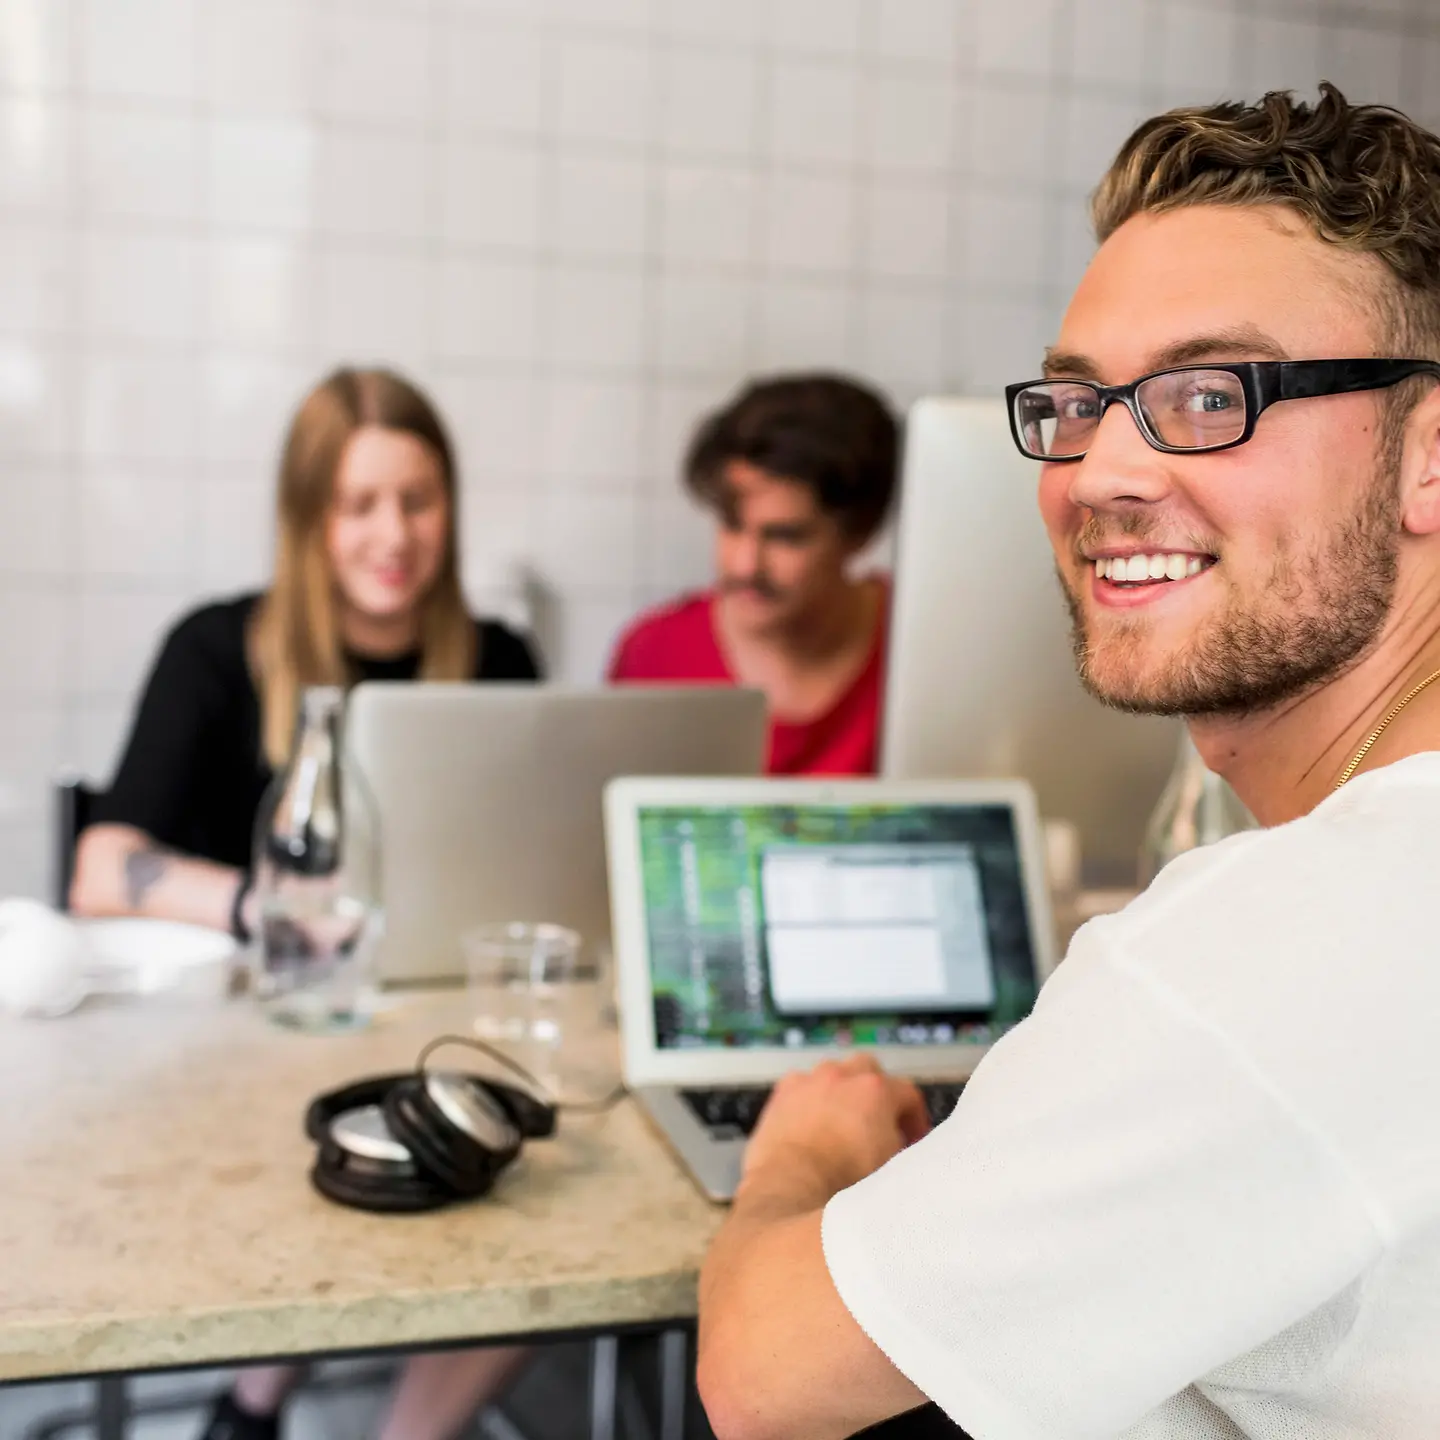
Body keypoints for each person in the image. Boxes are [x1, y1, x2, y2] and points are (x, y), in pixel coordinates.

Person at [695, 85, 1440, 1440]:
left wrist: (798, 1156)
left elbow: (761, 1375)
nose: (1099, 470)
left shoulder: (1281, 949)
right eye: (1079, 400)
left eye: (1213, 394)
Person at [71, 367, 540, 1440]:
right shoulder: (214, 651)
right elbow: (103, 869)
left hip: (429, 1034)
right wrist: (269, 907)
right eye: (359, 503)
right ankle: (259, 1391)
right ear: (308, 517)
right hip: (248, 1047)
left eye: (417, 501)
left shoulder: (503, 661)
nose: (395, 533)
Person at [608, 373, 898, 775]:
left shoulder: (917, 644)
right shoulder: (655, 657)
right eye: (731, 524)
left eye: (785, 537)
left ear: (859, 534)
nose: (746, 566)